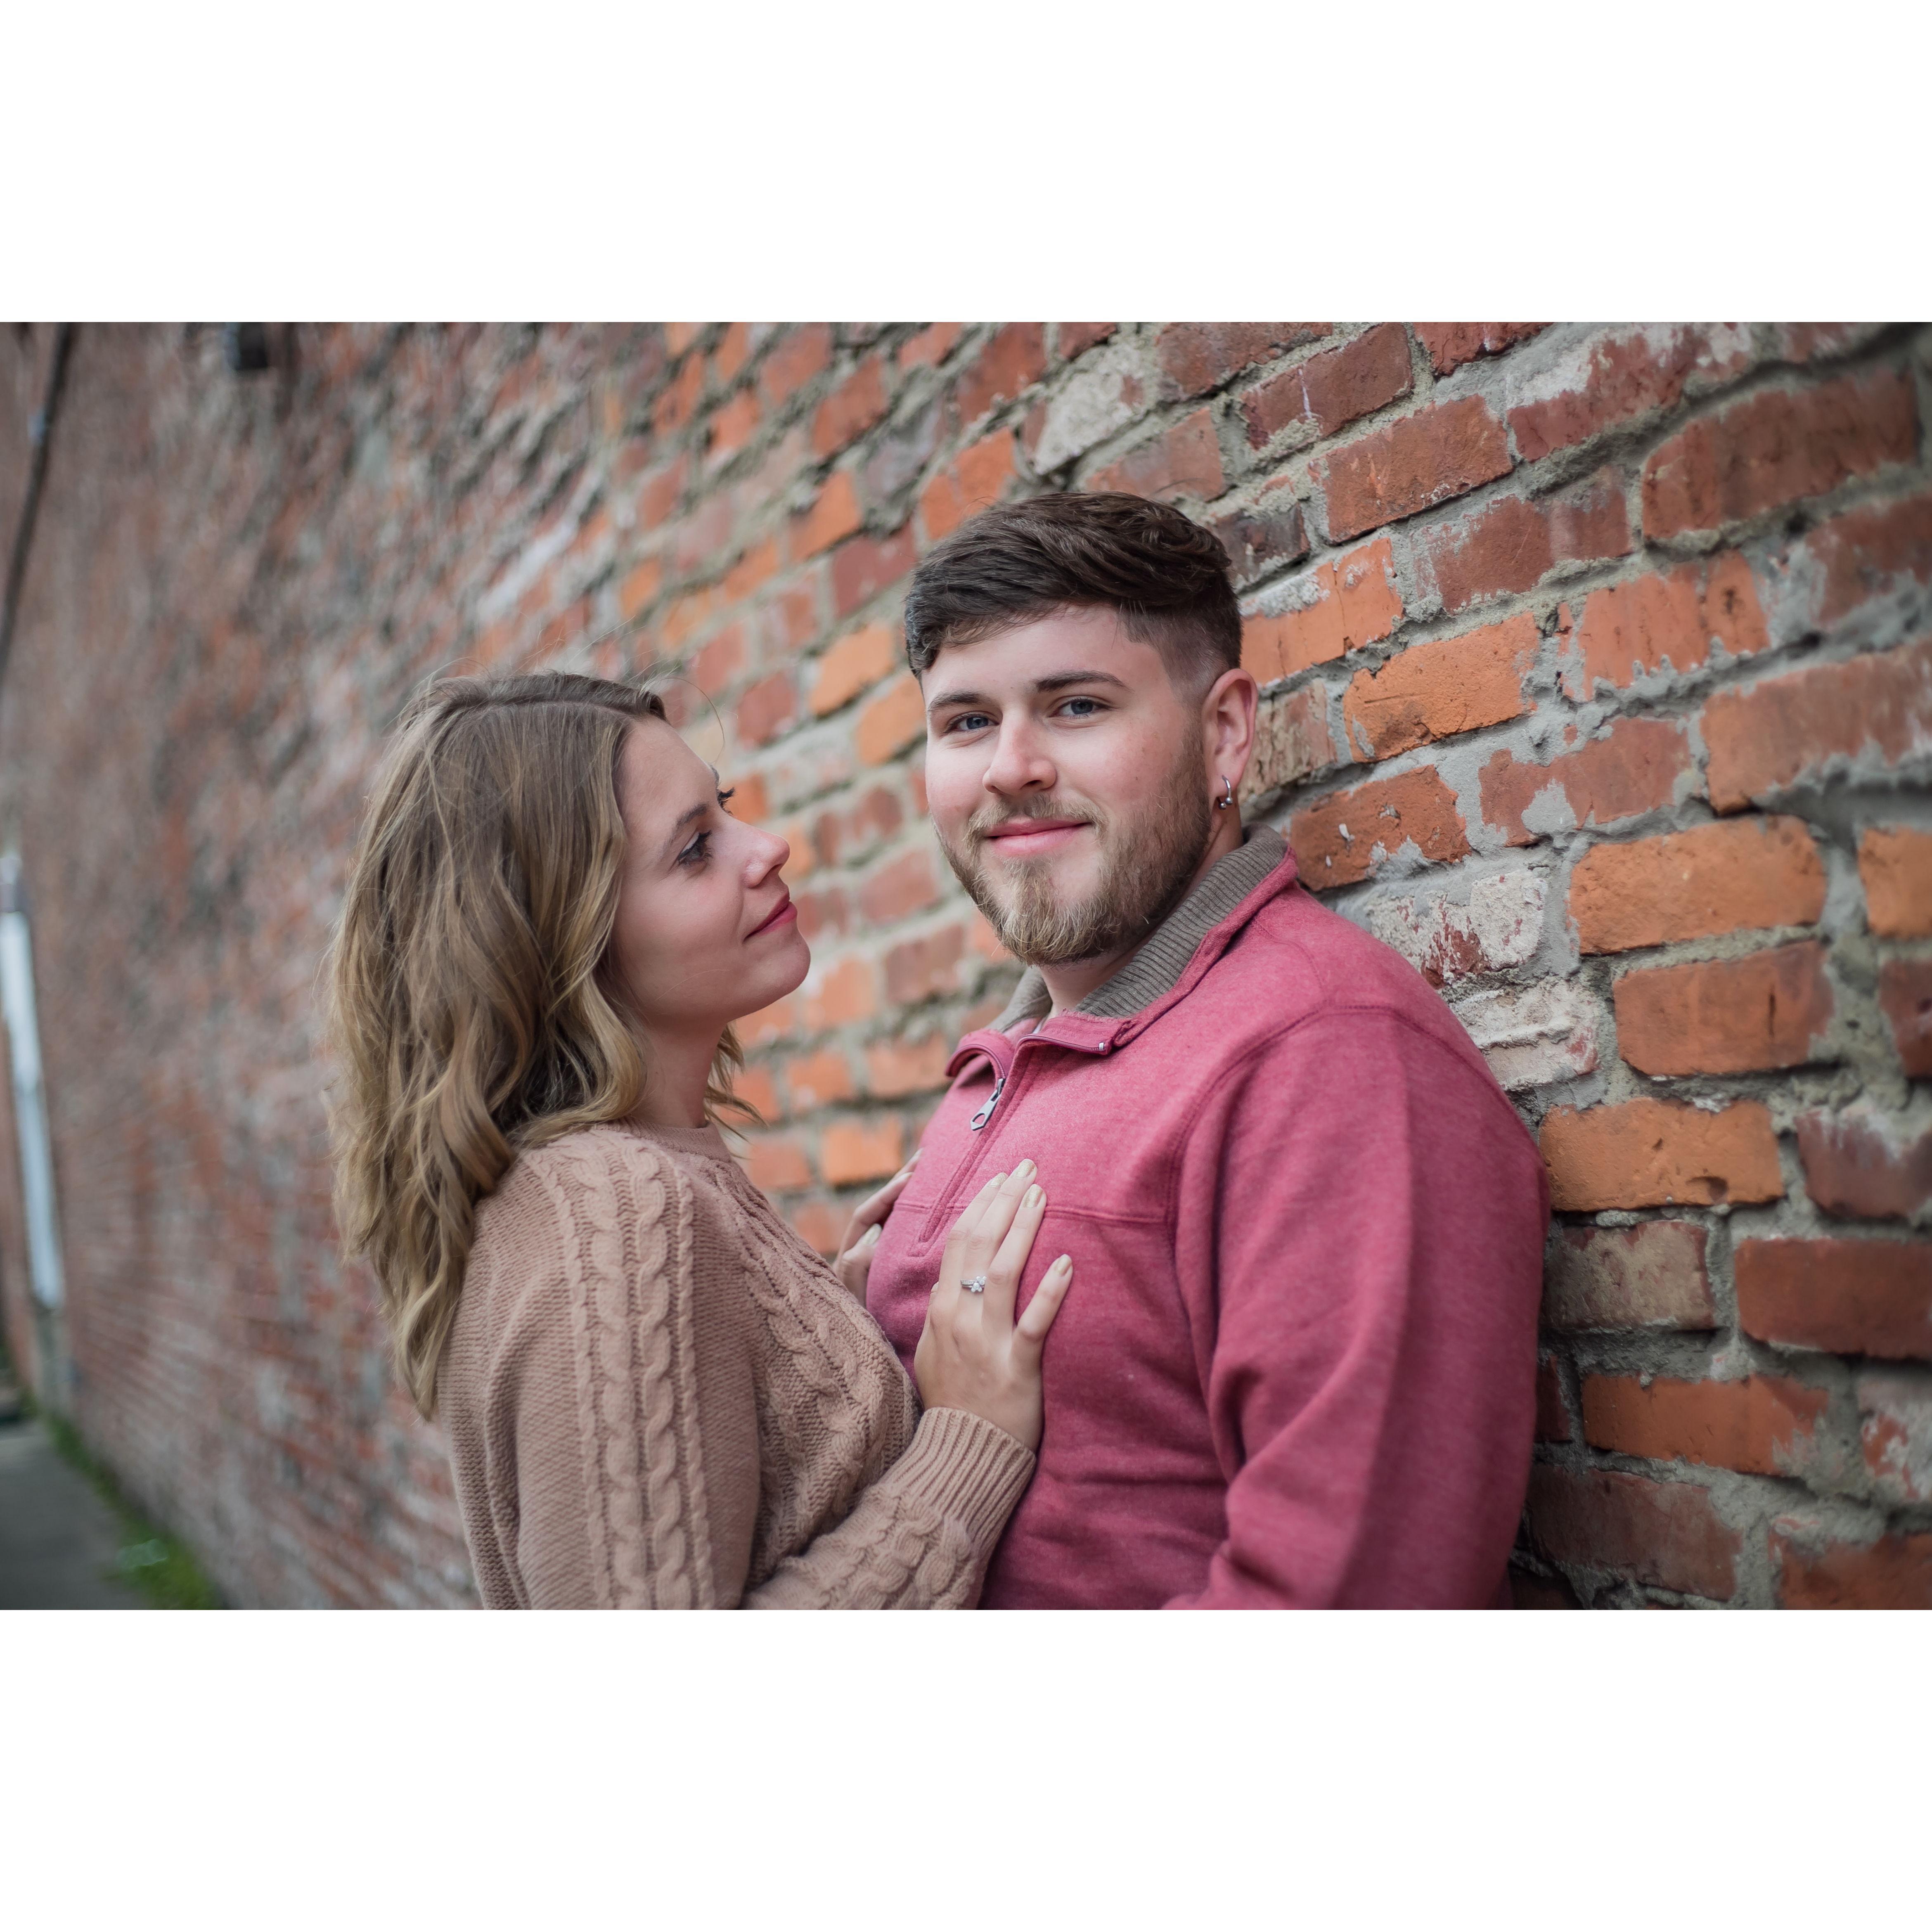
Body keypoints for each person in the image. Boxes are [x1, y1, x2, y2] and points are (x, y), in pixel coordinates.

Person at [864, 493, 1550, 1608]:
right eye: (967, 723)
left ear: (1225, 733)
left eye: (1076, 706)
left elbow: (1350, 1602)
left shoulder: (1322, 1054)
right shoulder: (1010, 1063)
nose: (1010, 767)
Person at [325, 672, 1072, 1608]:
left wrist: (833, 1342)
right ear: (562, 939)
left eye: (725, 807)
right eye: (693, 850)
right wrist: (966, 1445)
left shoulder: (615, 1182)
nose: (768, 847)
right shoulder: (615, 1213)